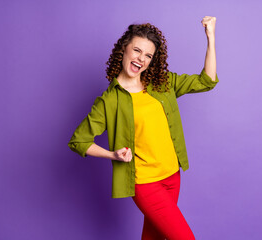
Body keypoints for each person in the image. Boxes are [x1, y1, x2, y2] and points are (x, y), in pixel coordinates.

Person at [68, 16, 219, 240]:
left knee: (154, 237)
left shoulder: (162, 84)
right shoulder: (109, 101)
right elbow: (78, 141)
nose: (141, 59)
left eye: (148, 55)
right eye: (137, 50)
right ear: (124, 50)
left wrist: (210, 37)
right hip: (145, 183)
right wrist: (112, 155)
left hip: (172, 176)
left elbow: (207, 80)